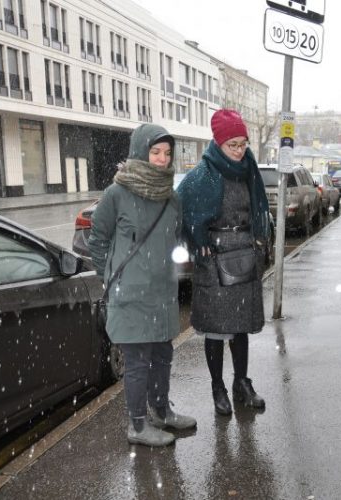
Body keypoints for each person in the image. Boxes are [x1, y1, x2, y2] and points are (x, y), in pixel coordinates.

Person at [89, 124, 196, 447]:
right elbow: (97, 240)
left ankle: (161, 411)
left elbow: (174, 238)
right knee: (137, 363)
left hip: (163, 293)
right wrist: (112, 278)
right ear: (140, 152)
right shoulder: (117, 194)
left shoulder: (171, 196)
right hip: (131, 295)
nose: (162, 159)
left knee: (163, 355)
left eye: (166, 153)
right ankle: (137, 425)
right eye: (155, 152)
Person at [177, 109, 270, 416]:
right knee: (217, 329)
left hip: (244, 253)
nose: (240, 150)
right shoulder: (200, 176)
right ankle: (218, 388)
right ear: (217, 143)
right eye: (233, 144)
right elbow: (182, 212)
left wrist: (258, 238)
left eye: (243, 143)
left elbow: (259, 208)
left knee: (240, 326)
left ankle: (241, 383)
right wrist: (197, 241)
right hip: (213, 260)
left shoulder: (248, 169)